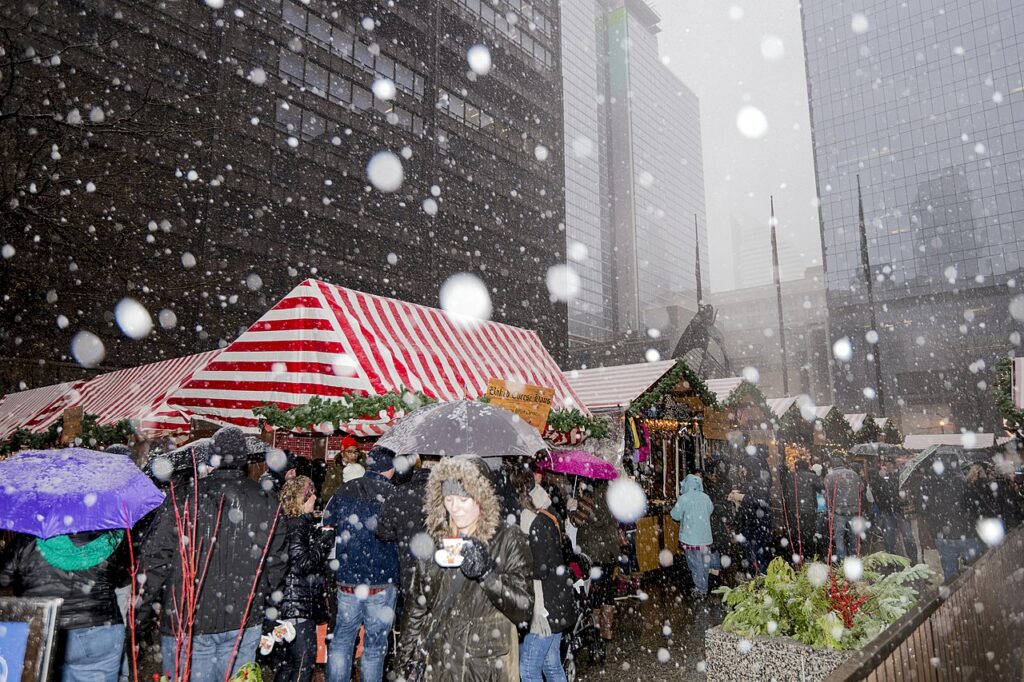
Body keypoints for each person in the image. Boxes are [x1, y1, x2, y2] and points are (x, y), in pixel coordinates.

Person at [137, 426, 288, 682]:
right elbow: (277, 563)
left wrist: (139, 617)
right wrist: (268, 605)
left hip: (191, 617)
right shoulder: (267, 500)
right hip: (242, 616)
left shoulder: (184, 498)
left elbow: (154, 560)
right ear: (244, 458)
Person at [398, 455, 533, 681]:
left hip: (485, 669)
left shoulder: (509, 538)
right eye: (449, 499)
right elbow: (416, 608)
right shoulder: (435, 541)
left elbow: (524, 609)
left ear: (481, 497)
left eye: (464, 499)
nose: (455, 508)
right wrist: (403, 665)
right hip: (439, 665)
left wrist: (487, 575)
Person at [1, 529, 127, 681]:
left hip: (44, 630)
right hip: (99, 628)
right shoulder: (109, 538)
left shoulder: (27, 539)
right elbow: (121, 578)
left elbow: (4, 578)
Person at [323, 445, 400, 682]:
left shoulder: (344, 490)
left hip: (347, 579)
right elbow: (401, 536)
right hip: (381, 580)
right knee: (374, 648)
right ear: (391, 469)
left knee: (342, 641)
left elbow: (326, 529)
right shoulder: (393, 495)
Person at [515, 469, 573, 682]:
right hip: (558, 598)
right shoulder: (549, 514)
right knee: (551, 665)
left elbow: (540, 569)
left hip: (546, 607)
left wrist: (520, 568)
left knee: (529, 670)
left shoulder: (533, 523)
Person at [274, 476, 333, 682]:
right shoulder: (298, 525)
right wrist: (323, 542)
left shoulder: (286, 523)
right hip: (297, 604)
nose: (315, 497)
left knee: (287, 664)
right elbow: (302, 564)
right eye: (311, 493)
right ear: (302, 498)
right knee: (302, 663)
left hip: (287, 602)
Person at [571, 480, 619, 661]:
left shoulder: (589, 497)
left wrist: (573, 508)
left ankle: (594, 631)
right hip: (608, 551)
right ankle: (606, 631)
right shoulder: (611, 494)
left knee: (592, 593)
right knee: (606, 591)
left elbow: (577, 520)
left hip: (593, 552)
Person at [377, 455, 436, 597]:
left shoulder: (399, 493)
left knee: (412, 611)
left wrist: (403, 534)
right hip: (440, 567)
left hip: (408, 566)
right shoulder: (447, 494)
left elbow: (383, 531)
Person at [670, 474, 714, 597]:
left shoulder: (684, 499)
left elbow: (675, 515)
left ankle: (701, 589)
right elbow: (710, 510)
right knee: (704, 563)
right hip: (705, 537)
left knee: (695, 564)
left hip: (690, 538)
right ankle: (703, 585)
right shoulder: (706, 497)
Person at [730, 457, 773, 575]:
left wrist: (742, 498)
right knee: (753, 557)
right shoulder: (752, 483)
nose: (742, 470)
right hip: (752, 528)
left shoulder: (759, 483)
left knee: (757, 558)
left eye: (744, 467)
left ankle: (760, 582)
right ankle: (757, 581)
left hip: (756, 528)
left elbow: (761, 502)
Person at [869, 458, 918, 561]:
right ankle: (891, 558)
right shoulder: (880, 476)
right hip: (887, 511)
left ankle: (913, 558)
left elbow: (908, 489)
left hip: (900, 510)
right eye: (886, 464)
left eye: (890, 464)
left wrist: (903, 498)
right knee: (889, 536)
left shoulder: (901, 476)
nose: (887, 466)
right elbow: (875, 491)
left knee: (907, 536)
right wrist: (878, 478)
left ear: (894, 465)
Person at [823, 456, 864, 560]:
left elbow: (827, 495)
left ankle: (842, 560)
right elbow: (861, 488)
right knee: (853, 538)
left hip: (838, 512)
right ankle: (854, 557)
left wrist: (830, 508)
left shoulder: (830, 476)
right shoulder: (853, 474)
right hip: (854, 511)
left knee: (839, 537)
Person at [786, 460, 824, 561]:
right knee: (809, 532)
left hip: (794, 510)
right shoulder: (811, 476)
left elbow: (786, 493)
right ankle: (809, 556)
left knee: (797, 532)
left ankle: (797, 555)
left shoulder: (790, 477)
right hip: (809, 509)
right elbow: (821, 488)